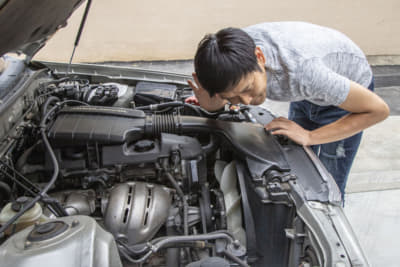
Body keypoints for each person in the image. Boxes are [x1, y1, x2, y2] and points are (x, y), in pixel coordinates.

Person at [187, 21, 389, 201]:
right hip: (309, 93)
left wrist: (310, 136)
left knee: (328, 188)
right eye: (231, 96)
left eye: (247, 89)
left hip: (348, 98)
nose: (247, 101)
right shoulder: (227, 58)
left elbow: (378, 110)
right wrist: (214, 105)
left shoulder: (304, 72)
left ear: (259, 57)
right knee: (297, 168)